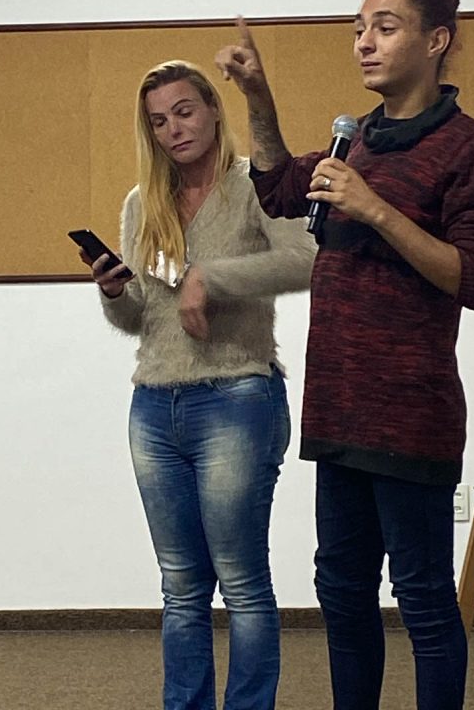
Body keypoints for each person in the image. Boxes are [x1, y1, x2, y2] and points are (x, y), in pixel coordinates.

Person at [216, 0, 474, 710]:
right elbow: (278, 189)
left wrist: (375, 209)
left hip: (410, 414)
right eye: (357, 29)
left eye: (384, 26)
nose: (364, 43)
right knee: (342, 592)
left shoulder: (469, 148)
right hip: (338, 410)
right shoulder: (358, 140)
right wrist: (258, 97)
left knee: (423, 598)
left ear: (435, 41)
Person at [78, 59, 316, 710]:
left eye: (184, 112)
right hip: (154, 405)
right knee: (181, 587)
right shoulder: (142, 203)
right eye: (158, 122)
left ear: (213, 108)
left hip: (238, 396)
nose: (174, 129)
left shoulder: (256, 187)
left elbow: (305, 260)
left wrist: (212, 278)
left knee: (241, 582)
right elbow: (142, 320)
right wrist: (114, 294)